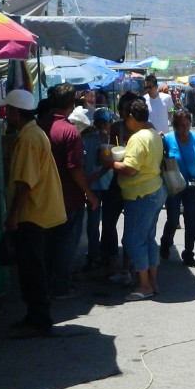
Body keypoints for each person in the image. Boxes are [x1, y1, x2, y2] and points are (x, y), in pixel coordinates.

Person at [1, 90, 66, 338]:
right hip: (41, 212)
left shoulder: (30, 138)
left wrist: (13, 216)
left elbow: (26, 182)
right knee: (34, 267)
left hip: (34, 214)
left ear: (16, 112)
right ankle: (35, 315)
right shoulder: (34, 133)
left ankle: (39, 319)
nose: (6, 114)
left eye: (8, 110)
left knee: (32, 269)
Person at [38, 83, 99, 299]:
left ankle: (47, 283)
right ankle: (61, 286)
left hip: (44, 197)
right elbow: (75, 168)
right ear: (71, 104)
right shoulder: (69, 131)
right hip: (68, 197)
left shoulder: (39, 126)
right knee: (65, 244)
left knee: (49, 243)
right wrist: (89, 193)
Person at [103, 99, 167, 301]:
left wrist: (110, 162)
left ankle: (144, 284)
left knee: (133, 240)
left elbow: (130, 169)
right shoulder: (153, 134)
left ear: (131, 118)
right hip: (154, 190)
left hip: (142, 194)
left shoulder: (138, 138)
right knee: (148, 239)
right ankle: (153, 282)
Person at [161, 109, 195, 266]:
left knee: (190, 219)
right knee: (173, 219)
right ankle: (166, 243)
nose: (185, 129)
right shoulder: (167, 139)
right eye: (181, 126)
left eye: (187, 125)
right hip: (174, 185)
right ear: (175, 126)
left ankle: (189, 253)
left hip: (192, 184)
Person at [70, 107, 114, 271]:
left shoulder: (97, 138)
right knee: (99, 223)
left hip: (99, 184)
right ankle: (97, 255)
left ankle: (100, 254)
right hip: (98, 185)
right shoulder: (93, 139)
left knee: (97, 223)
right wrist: (95, 176)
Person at [102, 91, 139, 281]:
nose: (127, 113)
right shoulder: (116, 128)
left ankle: (127, 266)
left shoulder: (144, 130)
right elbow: (110, 149)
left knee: (131, 228)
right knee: (108, 223)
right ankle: (114, 261)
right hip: (117, 181)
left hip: (136, 183)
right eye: (125, 109)